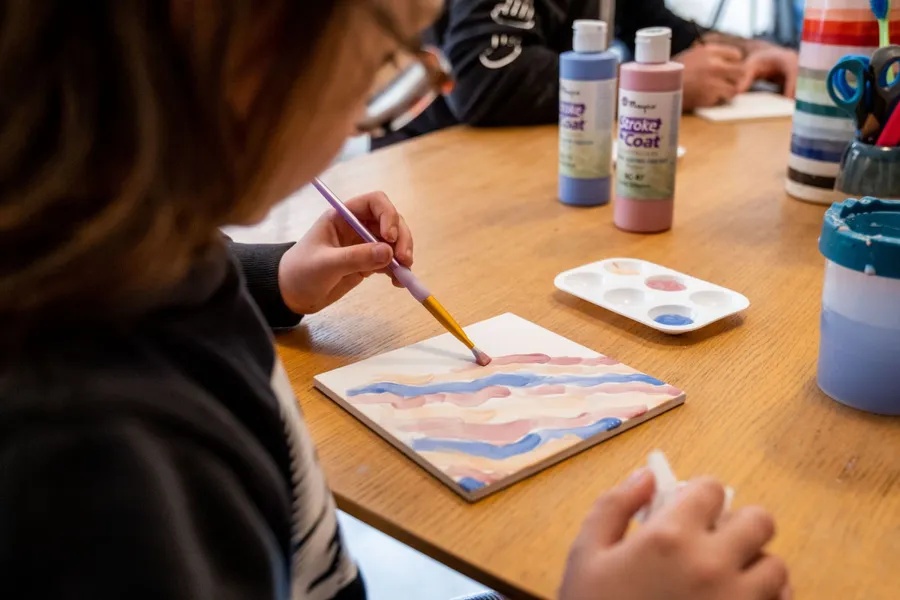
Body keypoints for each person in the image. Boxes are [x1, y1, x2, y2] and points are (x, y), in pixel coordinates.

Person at [0, 1, 789, 599]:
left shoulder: (128, 243)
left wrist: (276, 277)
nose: (368, 111)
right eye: (384, 61)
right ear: (252, 53)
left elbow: (180, 270)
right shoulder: (101, 464)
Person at [374, 0, 800, 147]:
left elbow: (667, 28)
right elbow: (483, 81)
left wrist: (756, 50)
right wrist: (650, 87)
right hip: (438, 161)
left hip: (527, 155)